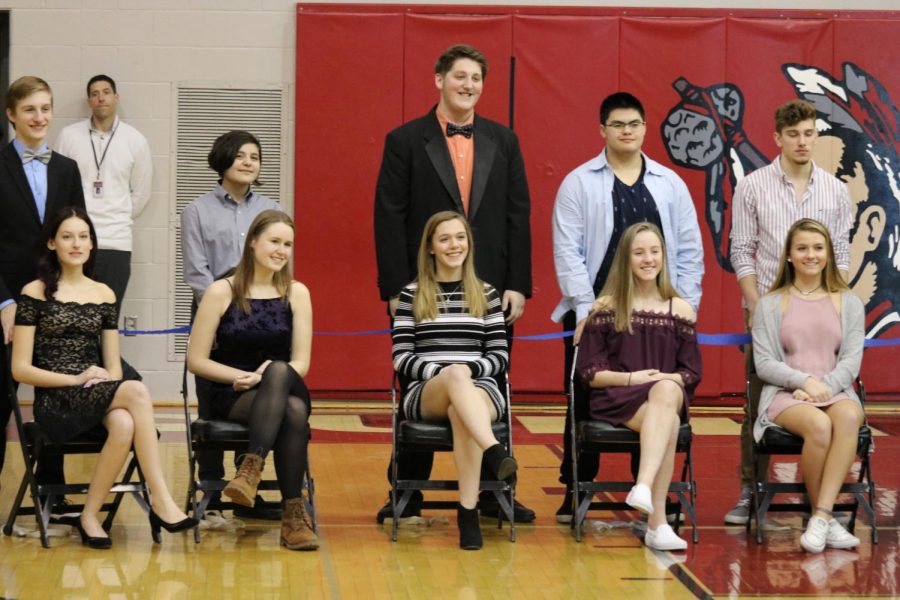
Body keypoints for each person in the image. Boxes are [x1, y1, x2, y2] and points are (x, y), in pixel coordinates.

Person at [373, 43, 533, 524]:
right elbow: (388, 216)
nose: (469, 86)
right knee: (420, 376)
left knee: (489, 376)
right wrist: (397, 288)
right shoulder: (404, 140)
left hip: (489, 286)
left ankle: (491, 494)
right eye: (460, 76)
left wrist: (518, 283)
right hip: (424, 285)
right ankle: (407, 490)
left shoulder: (504, 141)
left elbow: (517, 215)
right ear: (438, 79)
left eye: (476, 79)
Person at [552, 92, 703, 522]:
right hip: (599, 312)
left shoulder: (670, 183)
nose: (626, 131)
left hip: (656, 310)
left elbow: (689, 248)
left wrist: (684, 303)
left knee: (659, 389)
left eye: (634, 124)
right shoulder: (578, 182)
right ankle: (577, 484)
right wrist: (586, 309)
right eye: (618, 124)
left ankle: (652, 486)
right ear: (602, 130)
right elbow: (568, 251)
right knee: (583, 396)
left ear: (644, 127)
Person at [11, 207, 196, 548]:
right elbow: (19, 368)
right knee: (137, 391)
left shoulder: (104, 293)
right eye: (67, 236)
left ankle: (90, 515)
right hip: (55, 401)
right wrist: (76, 379)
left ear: (92, 244)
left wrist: (98, 379)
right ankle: (161, 498)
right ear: (52, 243)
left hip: (93, 392)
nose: (77, 244)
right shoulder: (34, 292)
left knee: (125, 423)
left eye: (84, 237)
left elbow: (112, 368)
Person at [728, 99, 852, 524]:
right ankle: (751, 489)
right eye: (794, 134)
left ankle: (823, 500)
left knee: (829, 402)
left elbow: (842, 258)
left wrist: (837, 310)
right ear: (778, 138)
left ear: (817, 136)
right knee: (757, 404)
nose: (802, 141)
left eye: (809, 133)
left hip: (819, 319)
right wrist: (755, 305)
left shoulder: (835, 190)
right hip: (771, 316)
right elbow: (741, 251)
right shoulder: (753, 186)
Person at [187, 210, 318, 551]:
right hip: (234, 393)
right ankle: (293, 519)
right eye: (275, 241)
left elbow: (300, 361)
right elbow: (196, 360)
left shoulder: (297, 292)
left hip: (283, 382)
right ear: (253, 242)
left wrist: (265, 374)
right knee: (292, 414)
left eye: (288, 244)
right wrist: (241, 377)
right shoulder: (221, 290)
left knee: (278, 370)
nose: (282, 250)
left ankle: (250, 470)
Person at [574, 222, 701, 551]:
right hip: (616, 396)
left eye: (655, 251)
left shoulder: (680, 309)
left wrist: (664, 380)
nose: (649, 259)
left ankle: (643, 487)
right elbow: (589, 372)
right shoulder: (605, 307)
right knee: (669, 419)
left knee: (669, 395)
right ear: (626, 259)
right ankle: (656, 522)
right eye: (639, 252)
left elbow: (691, 372)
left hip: (661, 396)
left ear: (664, 256)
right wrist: (633, 378)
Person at [392, 211, 516, 550]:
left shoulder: (487, 293)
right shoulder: (411, 294)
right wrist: (446, 375)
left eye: (460, 237)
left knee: (464, 408)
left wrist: (464, 375)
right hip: (427, 391)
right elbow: (402, 357)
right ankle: (493, 453)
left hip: (482, 389)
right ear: (430, 247)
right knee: (456, 376)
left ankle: (468, 512)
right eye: (444, 239)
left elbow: (500, 356)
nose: (453, 245)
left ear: (469, 243)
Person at [181, 130, 282, 513]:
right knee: (211, 398)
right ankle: (209, 486)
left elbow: (278, 265)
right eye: (240, 155)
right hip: (213, 314)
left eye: (255, 156)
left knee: (255, 393)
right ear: (222, 159)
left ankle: (246, 483)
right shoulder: (197, 210)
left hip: (261, 316)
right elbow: (196, 273)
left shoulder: (271, 209)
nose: (248, 162)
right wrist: (223, 309)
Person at [751, 218, 865, 553]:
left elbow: (851, 361)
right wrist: (804, 382)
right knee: (818, 425)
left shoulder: (849, 302)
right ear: (789, 255)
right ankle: (827, 521)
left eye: (818, 248)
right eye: (802, 248)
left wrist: (824, 386)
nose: (810, 255)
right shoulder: (771, 304)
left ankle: (821, 516)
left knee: (846, 418)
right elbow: (765, 364)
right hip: (787, 395)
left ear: (828, 253)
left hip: (836, 389)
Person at [1, 76, 85, 494]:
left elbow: (78, 238)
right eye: (30, 109)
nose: (40, 117)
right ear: (11, 114)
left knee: (57, 400)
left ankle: (52, 494)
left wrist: (75, 296)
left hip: (57, 301)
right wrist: (4, 302)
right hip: (6, 303)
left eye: (46, 108)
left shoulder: (68, 170)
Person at [54, 74, 153, 315]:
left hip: (116, 241)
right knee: (72, 314)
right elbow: (57, 185)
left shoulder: (135, 140)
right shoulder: (69, 136)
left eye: (106, 92)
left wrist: (118, 215)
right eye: (95, 94)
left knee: (108, 317)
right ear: (89, 101)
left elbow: (141, 192)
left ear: (116, 97)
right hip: (76, 242)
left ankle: (106, 355)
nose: (101, 98)